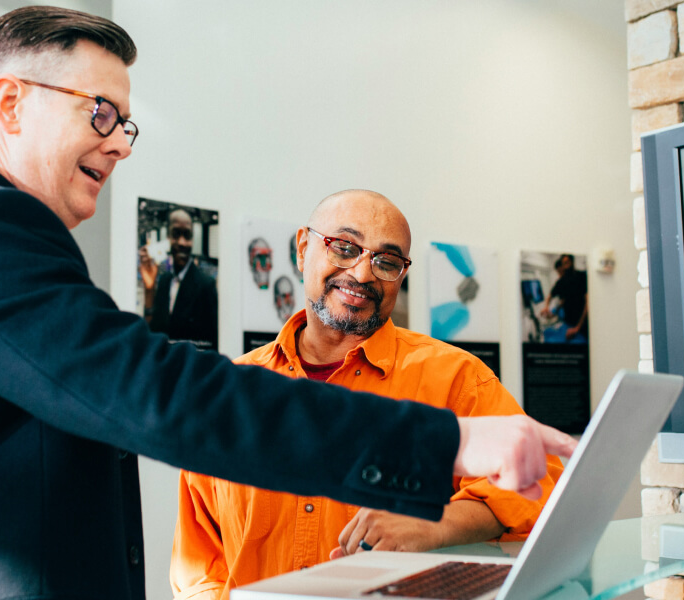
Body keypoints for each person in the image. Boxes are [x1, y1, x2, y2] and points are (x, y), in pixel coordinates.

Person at [0, 7, 575, 600]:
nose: (120, 143)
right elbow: (157, 393)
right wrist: (444, 444)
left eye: (126, 123)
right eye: (100, 112)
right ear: (10, 103)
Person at [170, 191, 565, 600]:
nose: (362, 274)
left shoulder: (456, 379)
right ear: (303, 249)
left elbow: (539, 491)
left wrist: (435, 522)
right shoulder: (229, 393)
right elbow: (199, 567)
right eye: (344, 248)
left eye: (387, 261)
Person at [141, 208, 218, 349]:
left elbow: (212, 344)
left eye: (187, 236)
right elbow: (153, 332)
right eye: (176, 234)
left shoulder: (206, 285)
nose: (182, 242)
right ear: (168, 237)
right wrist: (149, 290)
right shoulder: (164, 281)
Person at [540, 254, 588, 342]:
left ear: (572, 262)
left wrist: (578, 327)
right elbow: (552, 296)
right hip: (568, 323)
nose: (565, 266)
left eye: (567, 263)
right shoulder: (561, 282)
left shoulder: (582, 276)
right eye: (564, 264)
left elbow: (588, 303)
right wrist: (546, 307)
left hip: (582, 324)